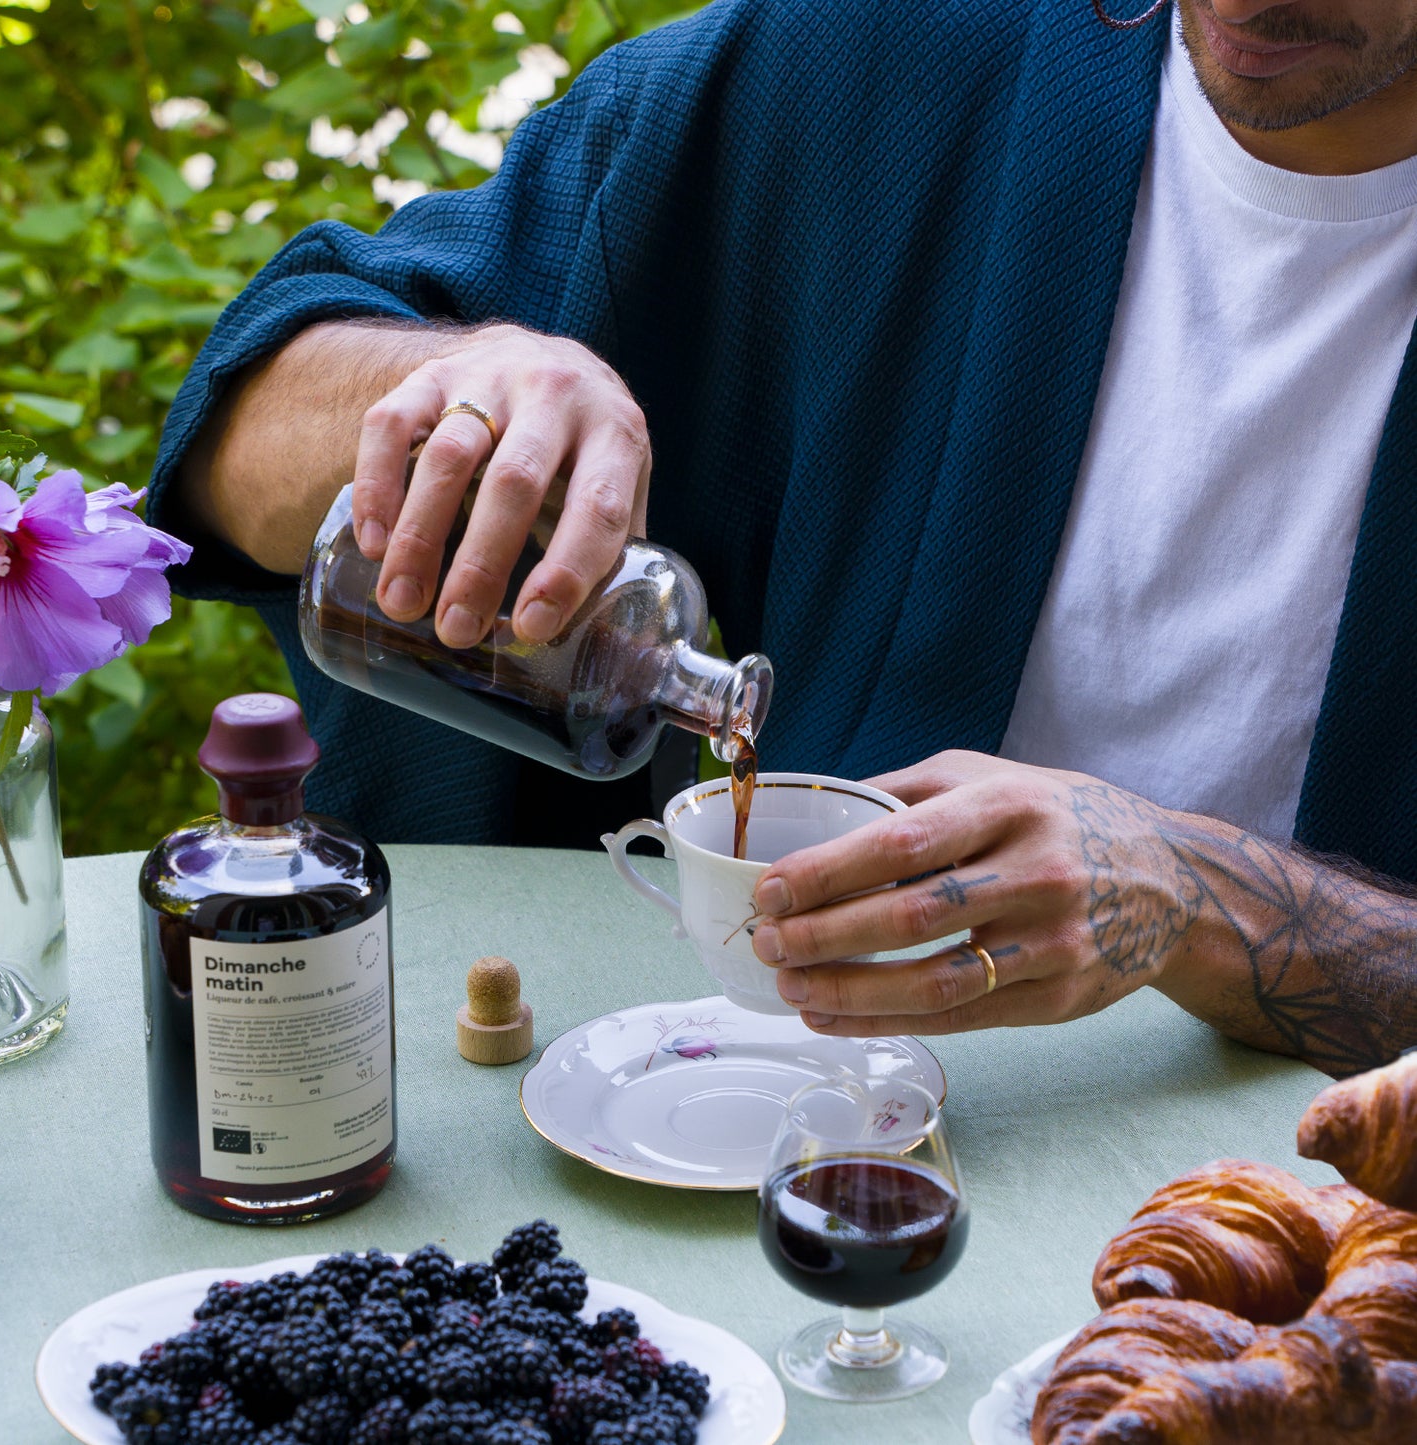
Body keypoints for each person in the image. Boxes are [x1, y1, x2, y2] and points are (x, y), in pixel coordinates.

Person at [149, 0, 1417, 1079]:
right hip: (776, 1130)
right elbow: (232, 459)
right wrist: (465, 379)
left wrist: (1204, 901)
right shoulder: (875, 59)